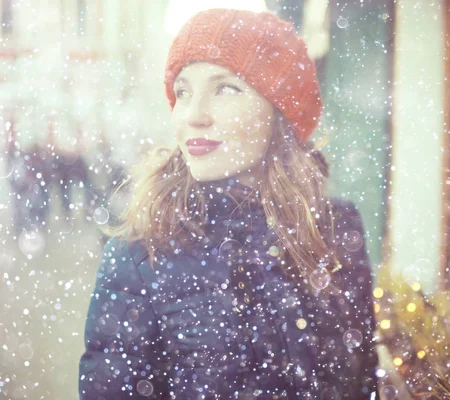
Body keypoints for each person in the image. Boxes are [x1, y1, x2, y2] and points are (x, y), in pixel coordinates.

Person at [78, 8, 379, 399]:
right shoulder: (142, 255)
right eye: (183, 91)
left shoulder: (336, 230)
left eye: (225, 88)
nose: (193, 115)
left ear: (279, 112)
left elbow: (362, 379)